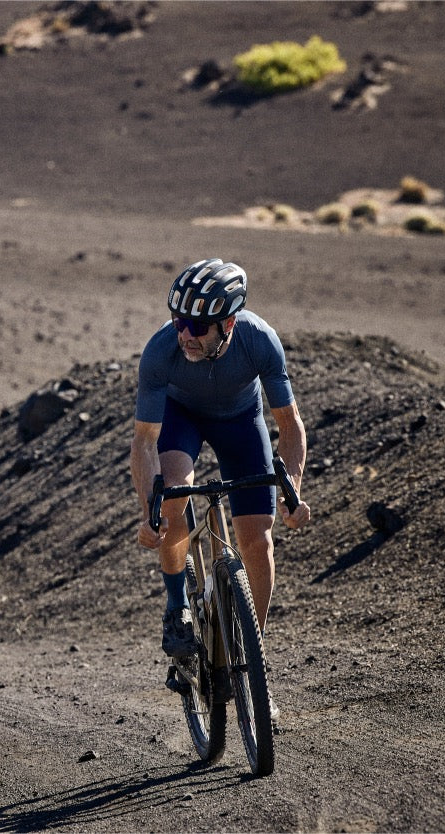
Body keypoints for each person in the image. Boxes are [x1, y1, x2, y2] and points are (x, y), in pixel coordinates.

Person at [129, 257, 311, 662]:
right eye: (179, 322)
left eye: (197, 327)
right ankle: (177, 607)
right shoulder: (160, 351)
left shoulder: (259, 340)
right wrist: (149, 513)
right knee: (173, 498)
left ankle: (251, 655)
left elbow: (290, 424)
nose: (185, 335)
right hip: (181, 418)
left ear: (228, 324)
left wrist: (293, 491)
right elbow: (144, 442)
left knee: (258, 541)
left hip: (240, 421)